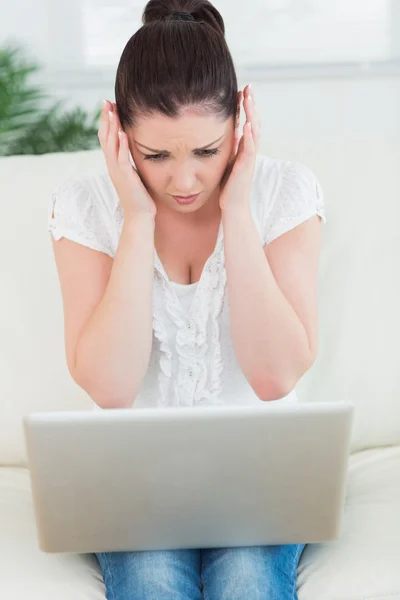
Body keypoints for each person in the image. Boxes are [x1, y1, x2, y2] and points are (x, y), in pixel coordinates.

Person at [48, 1, 326, 598]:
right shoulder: (84, 207)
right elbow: (111, 388)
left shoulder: (286, 193)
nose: (184, 181)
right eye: (156, 156)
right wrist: (136, 220)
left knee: (248, 581)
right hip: (135, 487)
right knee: (150, 583)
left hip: (266, 481)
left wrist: (239, 210)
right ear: (120, 133)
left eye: (207, 151)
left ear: (241, 124)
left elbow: (274, 377)